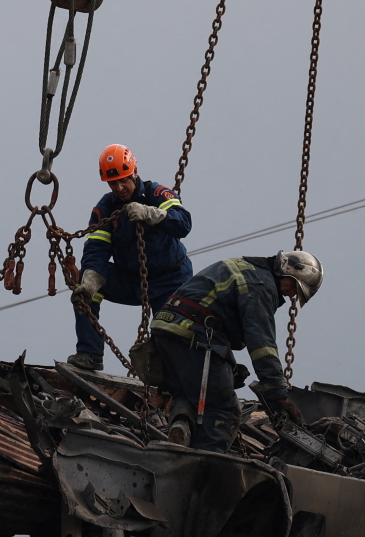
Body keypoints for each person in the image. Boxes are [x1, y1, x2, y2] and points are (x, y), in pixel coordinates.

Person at [147, 251, 324, 451]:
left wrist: (226, 368)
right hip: (194, 335)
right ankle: (205, 465)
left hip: (165, 330)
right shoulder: (261, 285)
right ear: (288, 271)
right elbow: (262, 344)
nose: (292, 295)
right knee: (224, 410)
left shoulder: (245, 269)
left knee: (188, 391)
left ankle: (181, 429)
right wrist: (277, 393)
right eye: (294, 288)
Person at [69, 144, 193, 371]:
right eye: (112, 183)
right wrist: (90, 280)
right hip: (130, 280)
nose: (119, 188)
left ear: (134, 172)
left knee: (169, 338)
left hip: (170, 281)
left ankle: (175, 378)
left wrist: (152, 214)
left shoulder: (156, 194)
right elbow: (97, 248)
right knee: (84, 285)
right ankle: (90, 353)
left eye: (123, 180)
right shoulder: (105, 209)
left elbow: (183, 223)